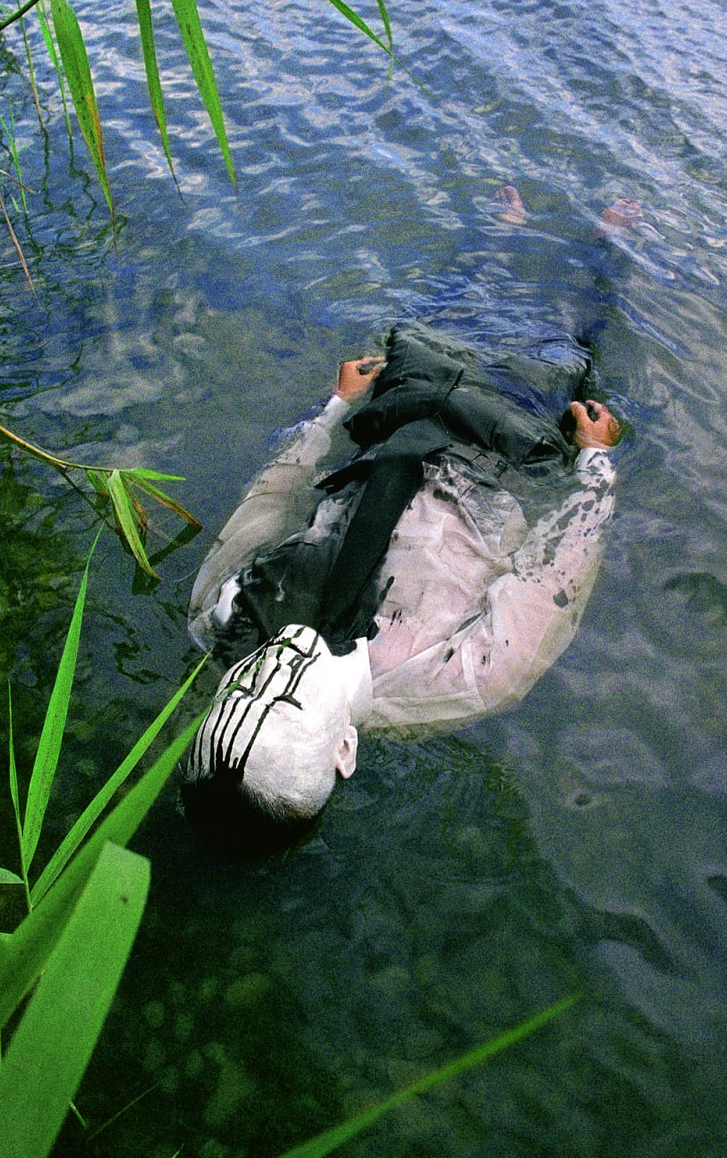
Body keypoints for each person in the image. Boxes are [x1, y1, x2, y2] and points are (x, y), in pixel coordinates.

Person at [180, 321, 622, 859]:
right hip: (511, 432)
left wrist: (337, 407)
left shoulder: (223, 615)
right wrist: (596, 460)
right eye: (289, 701)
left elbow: (270, 496)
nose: (275, 666)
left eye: (244, 690)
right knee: (574, 324)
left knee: (445, 299)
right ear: (345, 748)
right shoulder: (460, 680)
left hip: (395, 408)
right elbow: (558, 569)